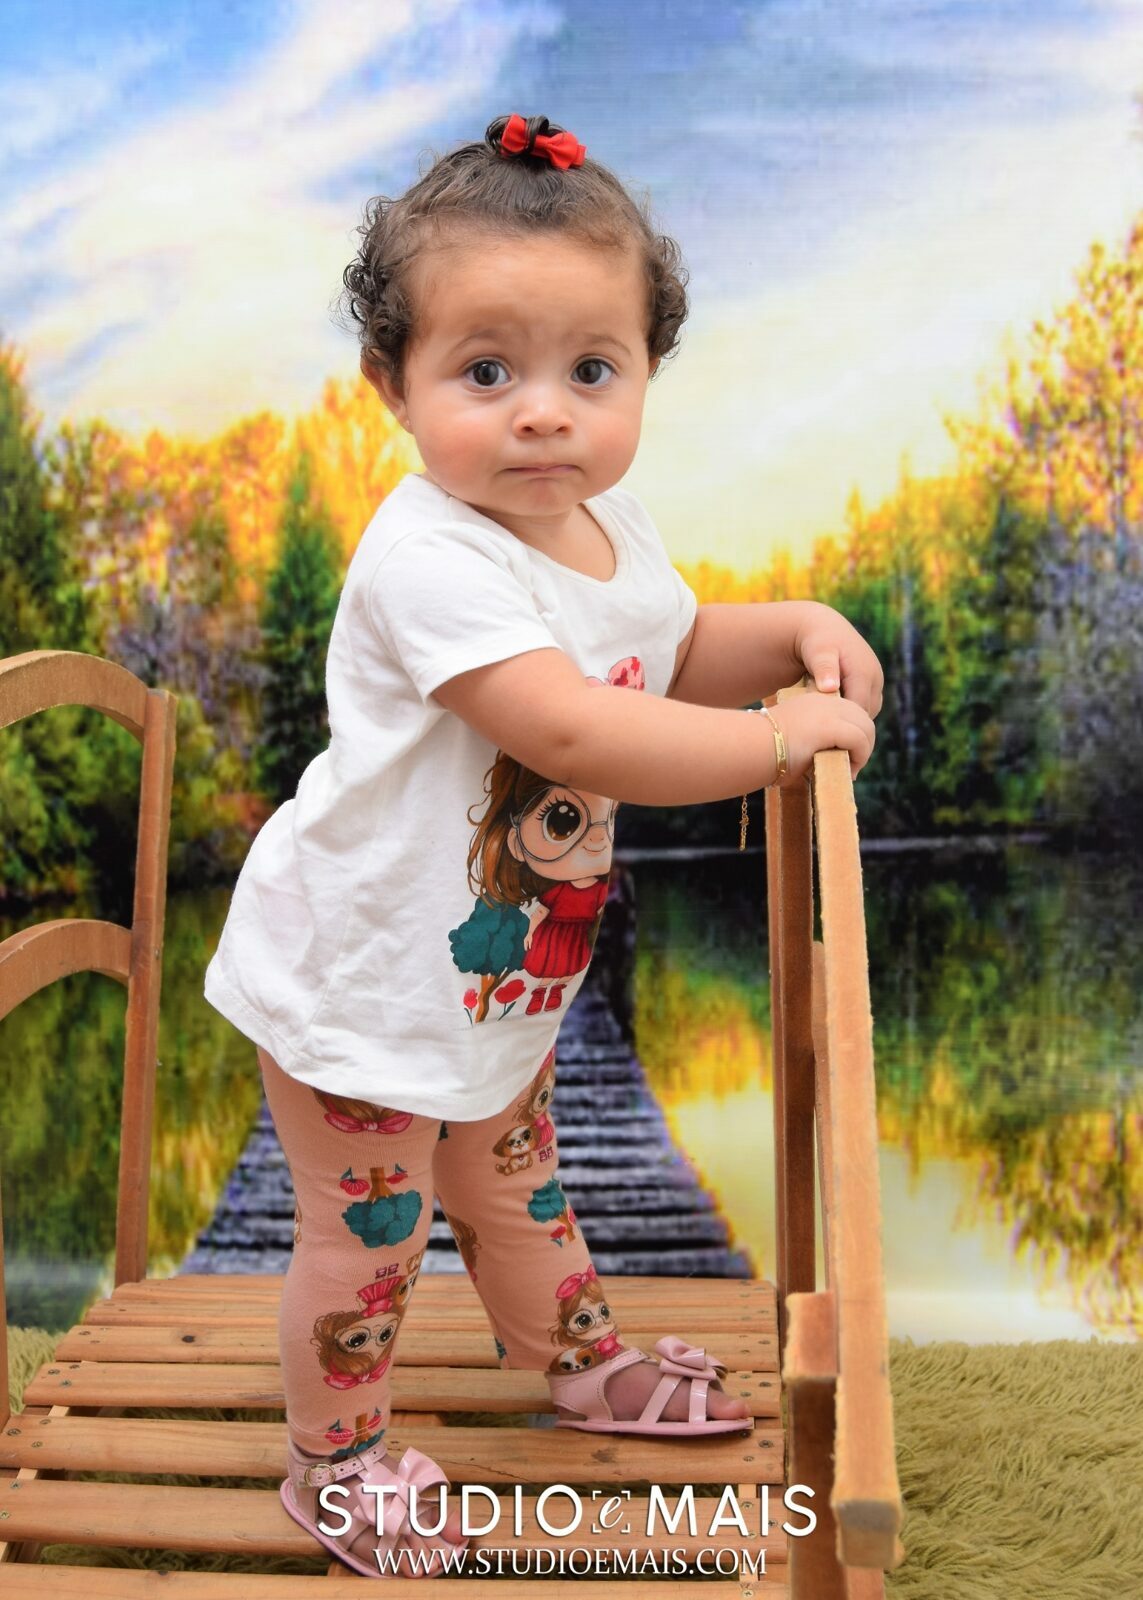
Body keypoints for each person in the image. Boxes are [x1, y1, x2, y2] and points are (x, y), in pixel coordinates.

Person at [203, 111, 882, 1579]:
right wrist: (778, 745)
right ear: (391, 382)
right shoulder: (427, 556)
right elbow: (572, 727)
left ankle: (578, 1366)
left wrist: (792, 631)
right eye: (485, 371)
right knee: (371, 1232)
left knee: (517, 1181)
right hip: (357, 979)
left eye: (591, 370)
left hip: (490, 983)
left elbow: (669, 649)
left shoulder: (607, 526)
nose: (542, 415)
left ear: (647, 370)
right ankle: (334, 1465)